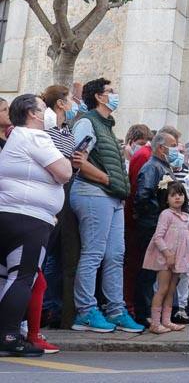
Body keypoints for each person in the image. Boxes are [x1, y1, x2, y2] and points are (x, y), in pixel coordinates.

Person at [69, 78, 144, 334]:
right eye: (111, 91)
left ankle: (115, 309)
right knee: (94, 254)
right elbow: (78, 158)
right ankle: (86, 311)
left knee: (115, 255)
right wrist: (107, 179)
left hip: (111, 197)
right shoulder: (88, 122)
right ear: (99, 97)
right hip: (93, 193)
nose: (115, 95)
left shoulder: (106, 126)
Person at [0, 94, 72, 356]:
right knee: (22, 277)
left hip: (9, 213)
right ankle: (8, 335)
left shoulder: (15, 138)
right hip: (29, 218)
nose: (48, 112)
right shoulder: (36, 137)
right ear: (32, 113)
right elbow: (64, 171)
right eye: (44, 108)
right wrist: (62, 167)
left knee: (5, 278)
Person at [31, 85, 77, 351]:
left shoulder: (65, 129)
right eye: (70, 98)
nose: (73, 102)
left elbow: (67, 159)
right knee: (45, 255)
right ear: (60, 103)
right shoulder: (46, 131)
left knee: (57, 253)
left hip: (64, 190)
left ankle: (51, 308)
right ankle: (45, 309)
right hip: (51, 192)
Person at [124, 125, 178, 317]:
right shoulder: (152, 167)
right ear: (162, 148)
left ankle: (156, 311)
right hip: (152, 225)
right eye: (173, 145)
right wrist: (157, 217)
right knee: (147, 271)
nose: (177, 149)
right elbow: (143, 196)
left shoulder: (163, 166)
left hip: (161, 225)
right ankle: (143, 311)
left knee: (158, 271)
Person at [141, 181, 189, 334]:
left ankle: (167, 320)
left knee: (171, 290)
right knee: (162, 289)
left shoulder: (185, 217)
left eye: (180, 194)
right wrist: (167, 253)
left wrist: (184, 259)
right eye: (173, 195)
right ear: (166, 198)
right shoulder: (166, 215)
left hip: (178, 260)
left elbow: (186, 241)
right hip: (165, 259)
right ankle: (155, 323)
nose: (177, 198)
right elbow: (158, 237)